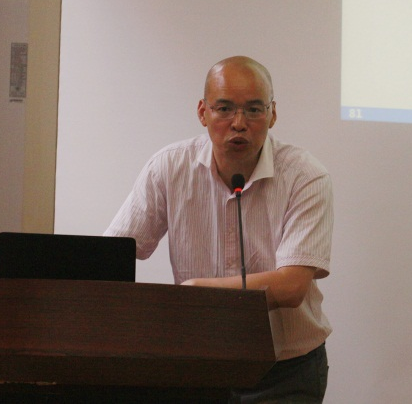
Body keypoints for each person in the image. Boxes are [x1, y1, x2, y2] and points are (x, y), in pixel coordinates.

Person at [105, 55, 333, 402]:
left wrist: (197, 292)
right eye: (224, 109)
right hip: (199, 361)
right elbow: (113, 253)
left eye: (254, 110)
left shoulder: (306, 176)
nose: (239, 123)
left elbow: (291, 287)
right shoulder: (170, 166)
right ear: (203, 112)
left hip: (284, 369)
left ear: (272, 114)